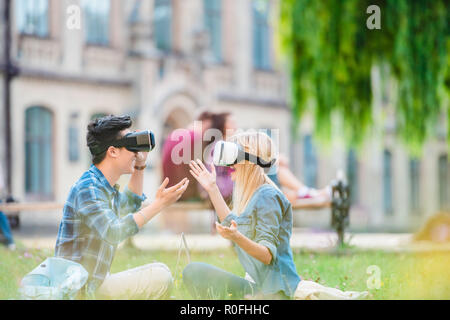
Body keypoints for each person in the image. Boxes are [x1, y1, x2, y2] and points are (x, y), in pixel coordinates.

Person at [55, 115, 189, 299]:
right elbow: (114, 231)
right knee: (161, 276)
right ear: (113, 151)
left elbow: (130, 205)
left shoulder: (103, 187)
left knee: (158, 272)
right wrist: (160, 204)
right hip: (79, 291)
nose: (135, 152)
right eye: (130, 146)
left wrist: (140, 165)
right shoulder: (88, 188)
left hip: (94, 284)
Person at [183, 131, 301, 299]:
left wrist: (237, 237)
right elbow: (232, 223)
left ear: (249, 161)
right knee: (195, 272)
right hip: (262, 288)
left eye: (235, 156)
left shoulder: (267, 197)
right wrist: (212, 188)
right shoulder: (259, 195)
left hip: (274, 293)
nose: (229, 165)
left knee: (194, 272)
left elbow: (267, 255)